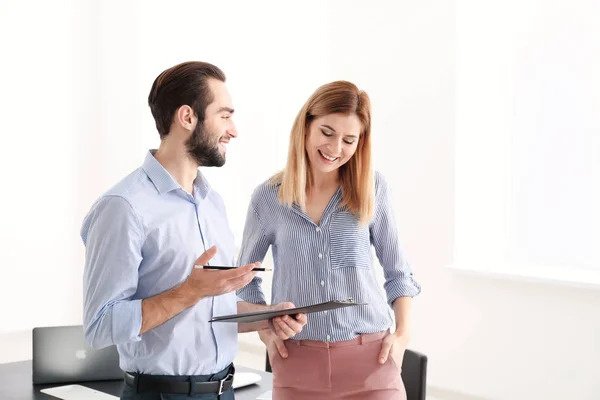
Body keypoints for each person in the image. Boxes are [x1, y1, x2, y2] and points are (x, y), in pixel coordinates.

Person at [81, 61, 307, 400]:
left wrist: (268, 317)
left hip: (223, 391)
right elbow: (100, 327)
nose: (234, 130)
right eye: (225, 115)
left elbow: (212, 312)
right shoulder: (123, 206)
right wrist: (189, 291)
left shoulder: (211, 202)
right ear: (187, 117)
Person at [236, 81, 421, 400]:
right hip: (297, 363)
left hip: (372, 363)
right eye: (327, 132)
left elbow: (398, 274)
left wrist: (402, 335)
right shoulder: (268, 198)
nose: (336, 148)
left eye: (349, 140)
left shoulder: (372, 188)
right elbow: (245, 280)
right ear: (306, 125)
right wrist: (266, 330)